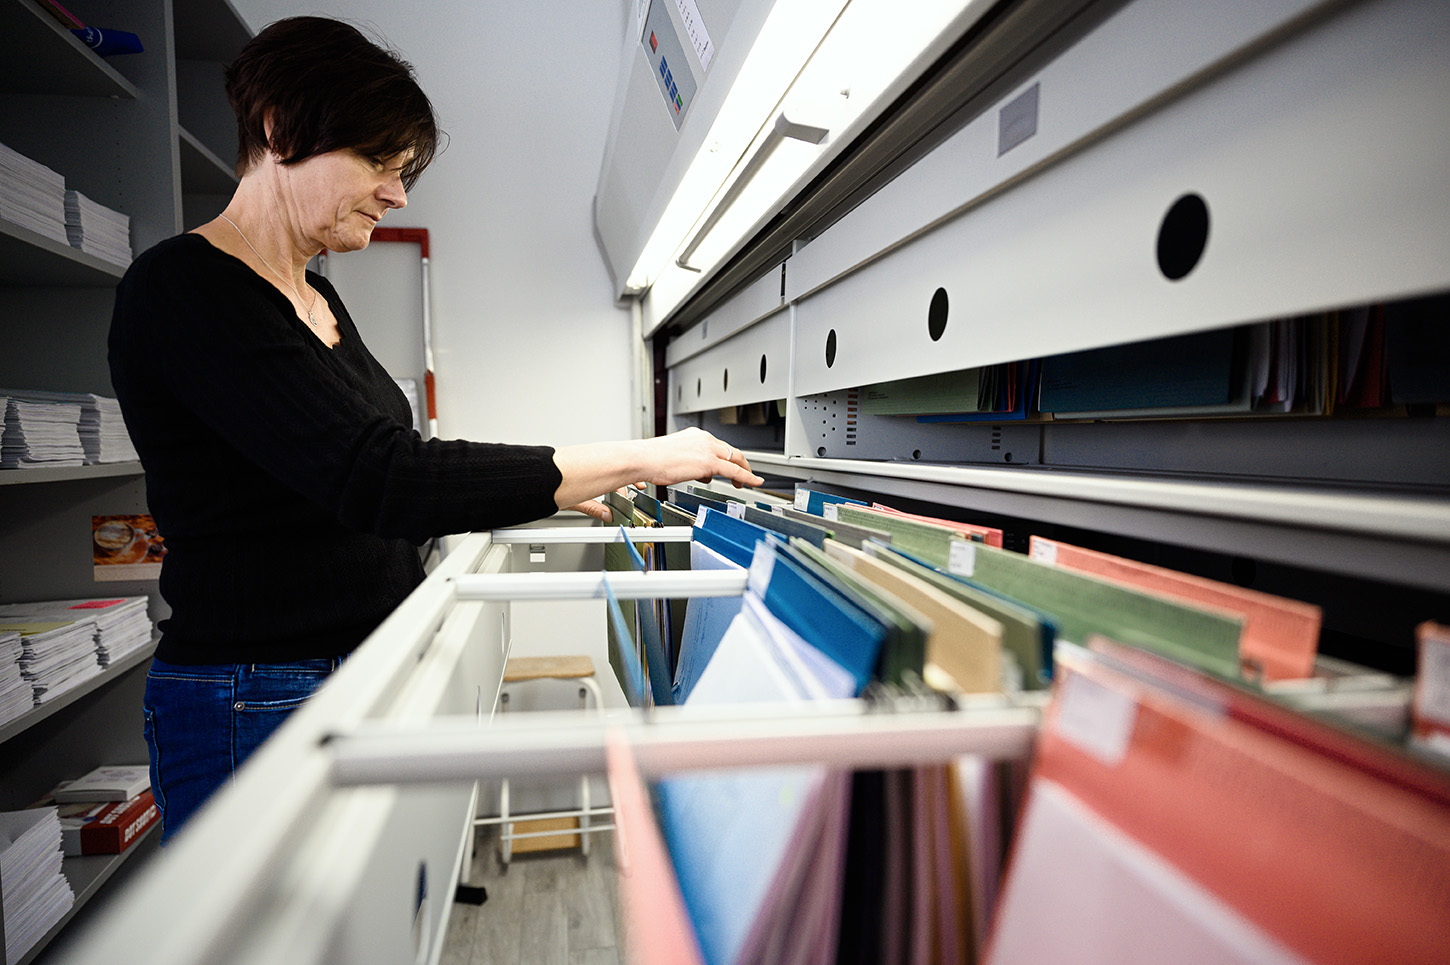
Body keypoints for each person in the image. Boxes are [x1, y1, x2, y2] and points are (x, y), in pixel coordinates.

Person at [108, 16, 761, 842]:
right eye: (379, 161)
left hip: (360, 672)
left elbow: (357, 483)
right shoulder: (186, 290)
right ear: (279, 130)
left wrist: (562, 493)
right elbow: (382, 476)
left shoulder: (317, 298)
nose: (398, 191)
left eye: (403, 168)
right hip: (258, 697)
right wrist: (641, 455)